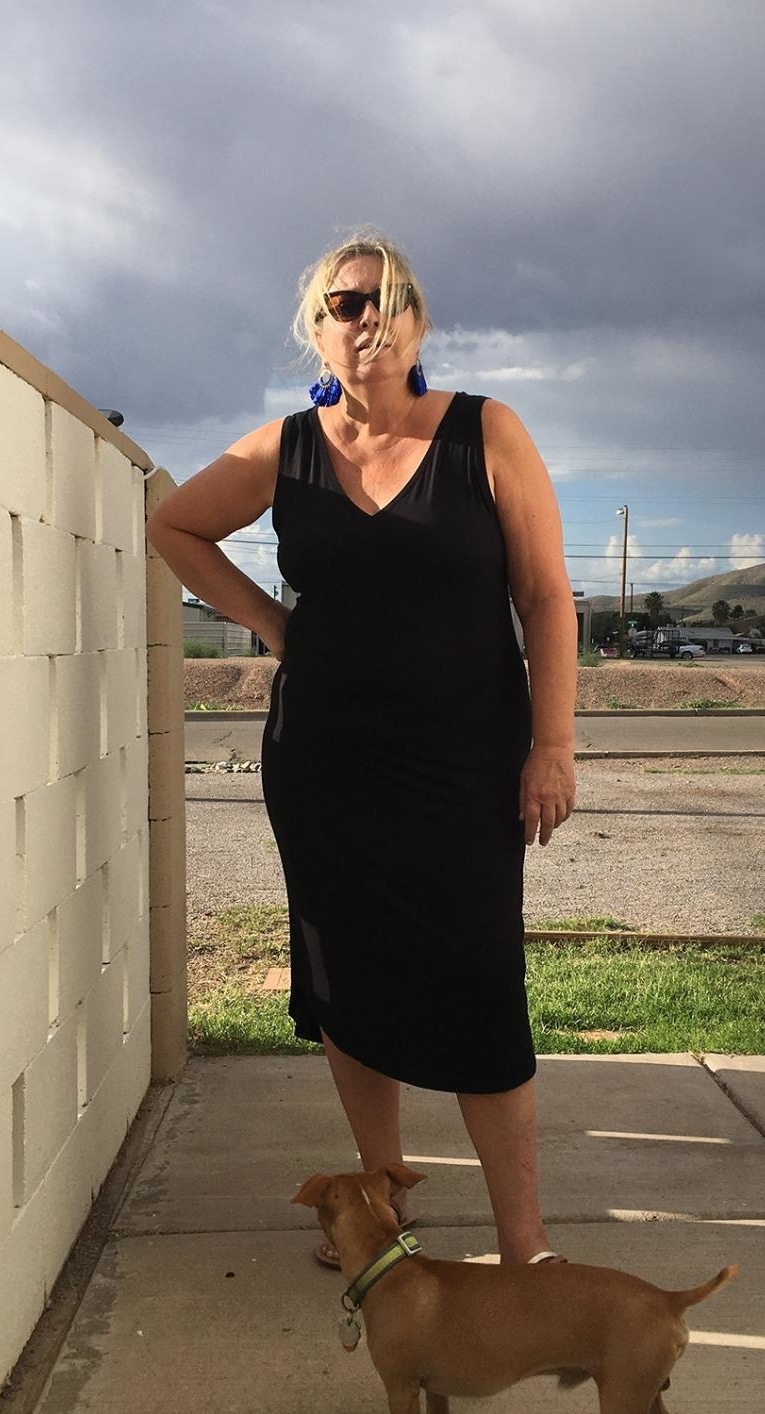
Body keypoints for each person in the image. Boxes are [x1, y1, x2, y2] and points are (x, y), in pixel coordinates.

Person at [145, 231, 577, 1266]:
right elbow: (174, 527)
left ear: (420, 323)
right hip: (325, 759)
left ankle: (526, 1252)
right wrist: (273, 624)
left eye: (388, 301)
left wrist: (551, 743)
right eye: (345, 304)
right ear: (319, 328)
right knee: (347, 974)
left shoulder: (485, 433)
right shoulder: (287, 449)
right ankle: (380, 1209)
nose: (367, 317)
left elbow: (546, 594)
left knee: (477, 980)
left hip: (467, 760)